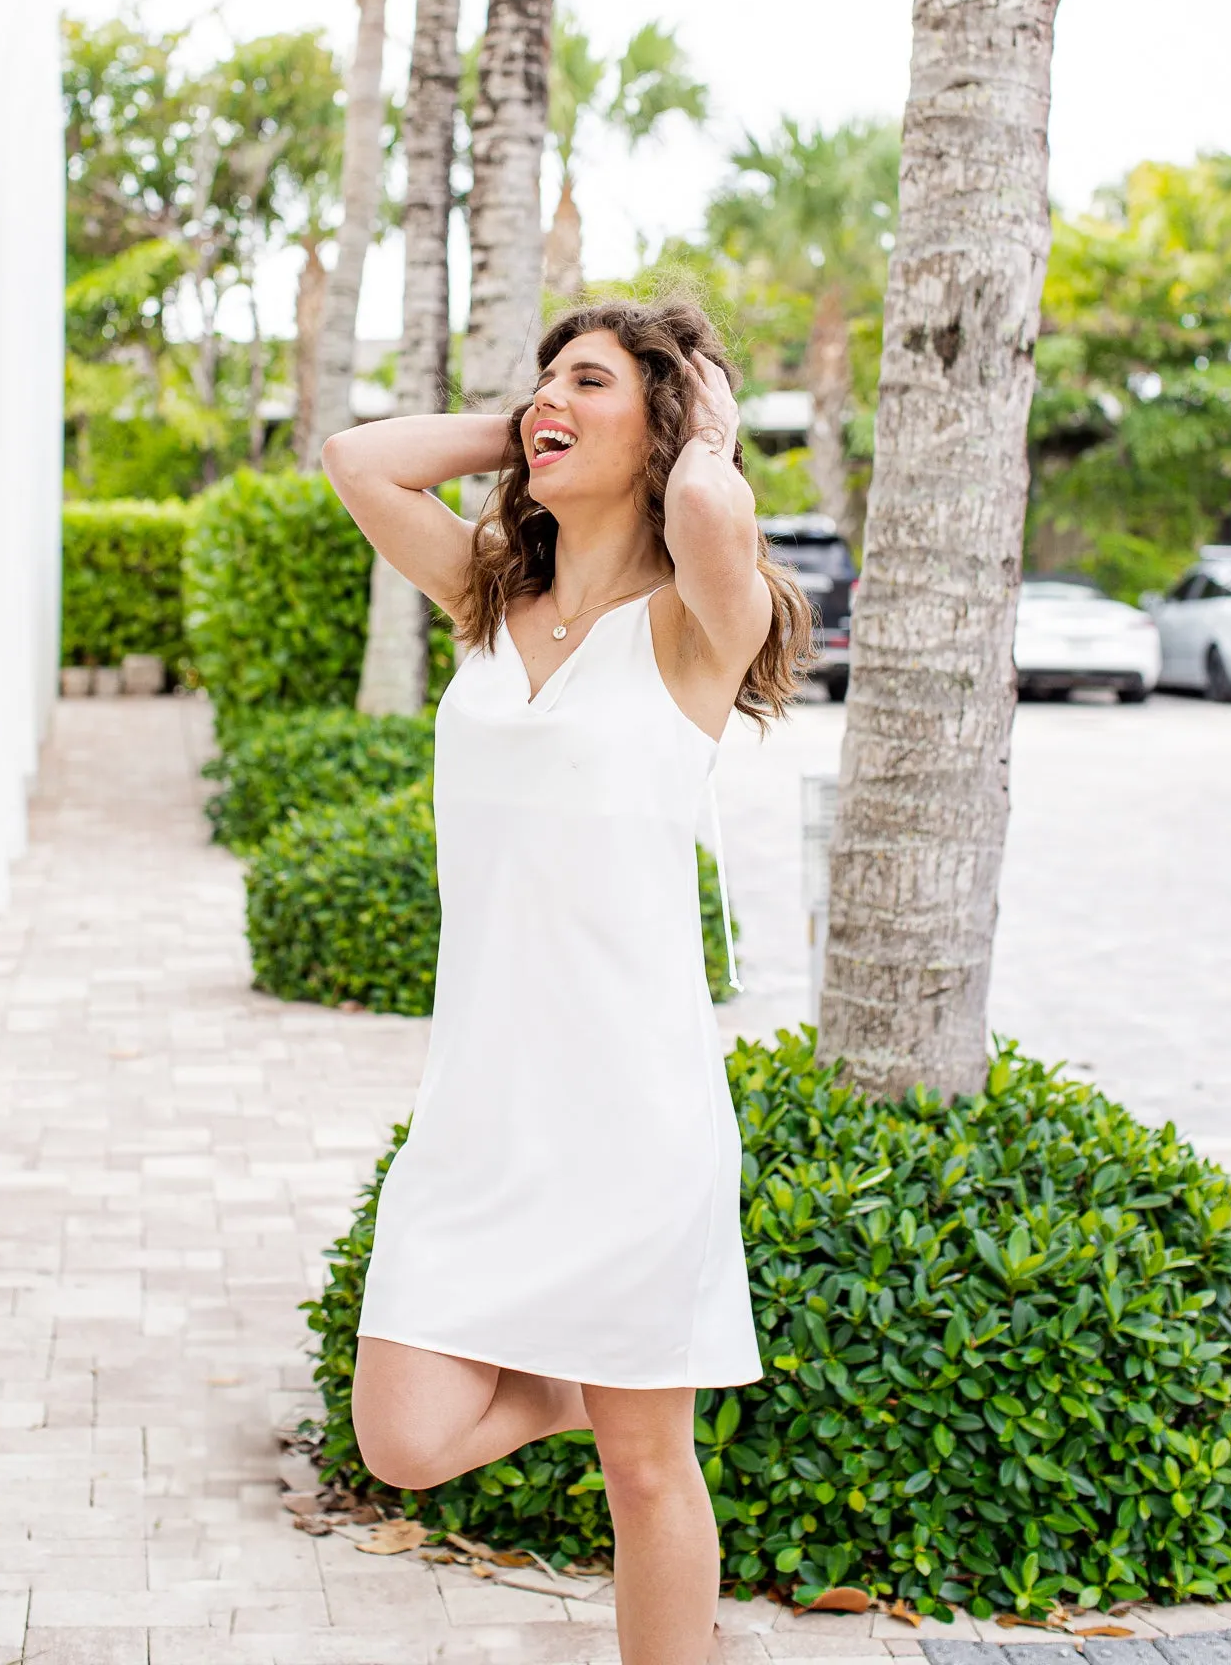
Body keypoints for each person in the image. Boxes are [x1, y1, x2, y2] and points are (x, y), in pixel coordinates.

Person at [321, 298, 812, 1665]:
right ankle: (551, 1384)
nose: (550, 395)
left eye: (589, 380)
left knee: (650, 1471)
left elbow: (710, 508)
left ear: (664, 425)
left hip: (630, 1113)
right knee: (404, 1439)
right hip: (479, 1112)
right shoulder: (488, 592)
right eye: (545, 376)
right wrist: (541, 419)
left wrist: (690, 424)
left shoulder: (693, 626)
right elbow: (358, 459)